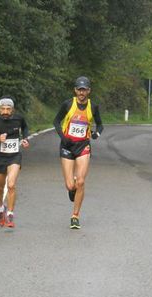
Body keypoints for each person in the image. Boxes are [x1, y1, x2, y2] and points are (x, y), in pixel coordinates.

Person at [53, 76, 103, 229]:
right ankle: (72, 188)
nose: (82, 92)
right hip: (67, 146)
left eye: (84, 89)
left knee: (80, 181)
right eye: (79, 89)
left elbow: (100, 125)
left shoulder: (93, 107)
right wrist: (63, 137)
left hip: (83, 146)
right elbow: (56, 121)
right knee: (70, 185)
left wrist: (96, 134)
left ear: (89, 91)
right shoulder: (68, 104)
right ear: (75, 90)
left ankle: (75, 216)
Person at [0, 97, 30, 228]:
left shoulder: (19, 119)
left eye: (8, 109)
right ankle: (1, 209)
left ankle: (10, 214)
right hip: (0, 158)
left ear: (12, 110)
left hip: (14, 156)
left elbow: (25, 128)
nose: (5, 111)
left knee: (11, 185)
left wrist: (25, 138)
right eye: (3, 109)